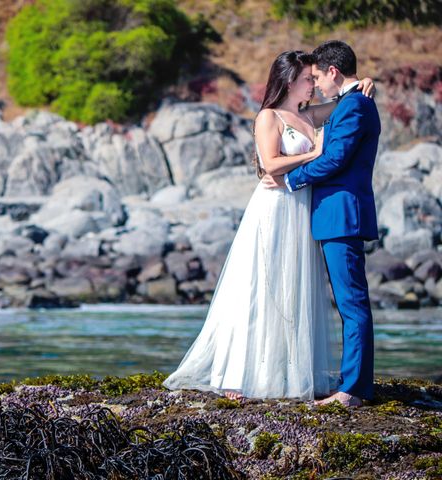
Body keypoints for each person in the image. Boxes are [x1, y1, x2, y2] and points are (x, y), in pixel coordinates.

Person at [163, 49, 375, 401]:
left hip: (301, 209)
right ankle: (238, 373)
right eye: (308, 79)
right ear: (290, 81)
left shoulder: (309, 114)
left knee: (293, 290)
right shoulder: (268, 116)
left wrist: (366, 82)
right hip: (275, 206)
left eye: (315, 77)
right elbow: (271, 165)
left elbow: (346, 101)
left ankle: (284, 373)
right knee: (260, 286)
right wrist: (314, 154)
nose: (313, 84)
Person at [262, 41, 381, 407]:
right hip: (333, 214)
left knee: (351, 303)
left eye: (317, 77)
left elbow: (336, 158)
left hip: (341, 214)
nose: (316, 85)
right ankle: (353, 382)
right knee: (349, 302)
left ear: (334, 72)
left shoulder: (354, 105)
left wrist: (292, 181)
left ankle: (354, 389)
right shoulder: (351, 103)